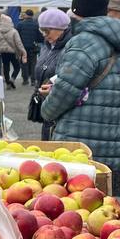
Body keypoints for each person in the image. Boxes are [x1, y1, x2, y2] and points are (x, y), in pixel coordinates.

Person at [39, 0, 120, 178]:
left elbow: (65, 91)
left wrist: (46, 109)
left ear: (77, 11)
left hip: (83, 141)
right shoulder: (118, 39)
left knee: (77, 199)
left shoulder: (84, 41)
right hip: (115, 137)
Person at [32, 8, 71, 140]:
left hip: (59, 106)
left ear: (60, 29)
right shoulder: (48, 46)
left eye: (47, 31)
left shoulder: (70, 47)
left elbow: (68, 76)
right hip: (47, 103)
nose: (44, 35)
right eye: (41, 31)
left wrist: (52, 86)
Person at [0, 9, 28, 89]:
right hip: (13, 52)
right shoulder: (13, 31)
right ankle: (12, 78)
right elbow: (18, 43)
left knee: (6, 67)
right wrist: (23, 51)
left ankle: (8, 83)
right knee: (17, 67)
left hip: (3, 52)